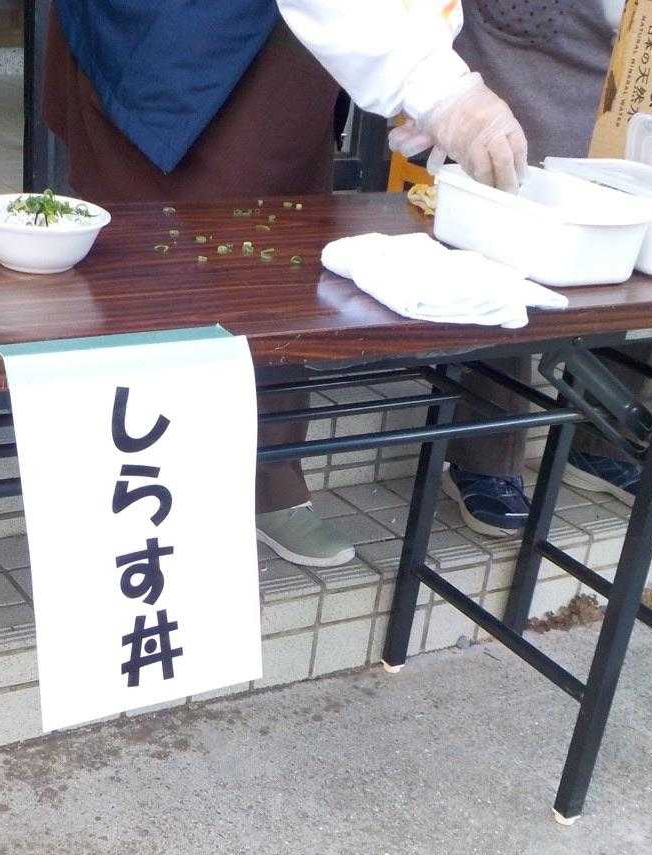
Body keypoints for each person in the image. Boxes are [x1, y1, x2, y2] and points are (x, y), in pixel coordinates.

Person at [43, 0, 528, 568]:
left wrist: (425, 52)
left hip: (290, 41)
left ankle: (271, 480)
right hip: (157, 30)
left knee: (281, 254)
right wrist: (432, 83)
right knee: (145, 257)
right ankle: (131, 496)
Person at [433, 0, 652, 537]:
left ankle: (607, 443)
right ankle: (483, 457)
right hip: (518, 52)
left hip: (645, 49)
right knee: (507, 241)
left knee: (638, 237)